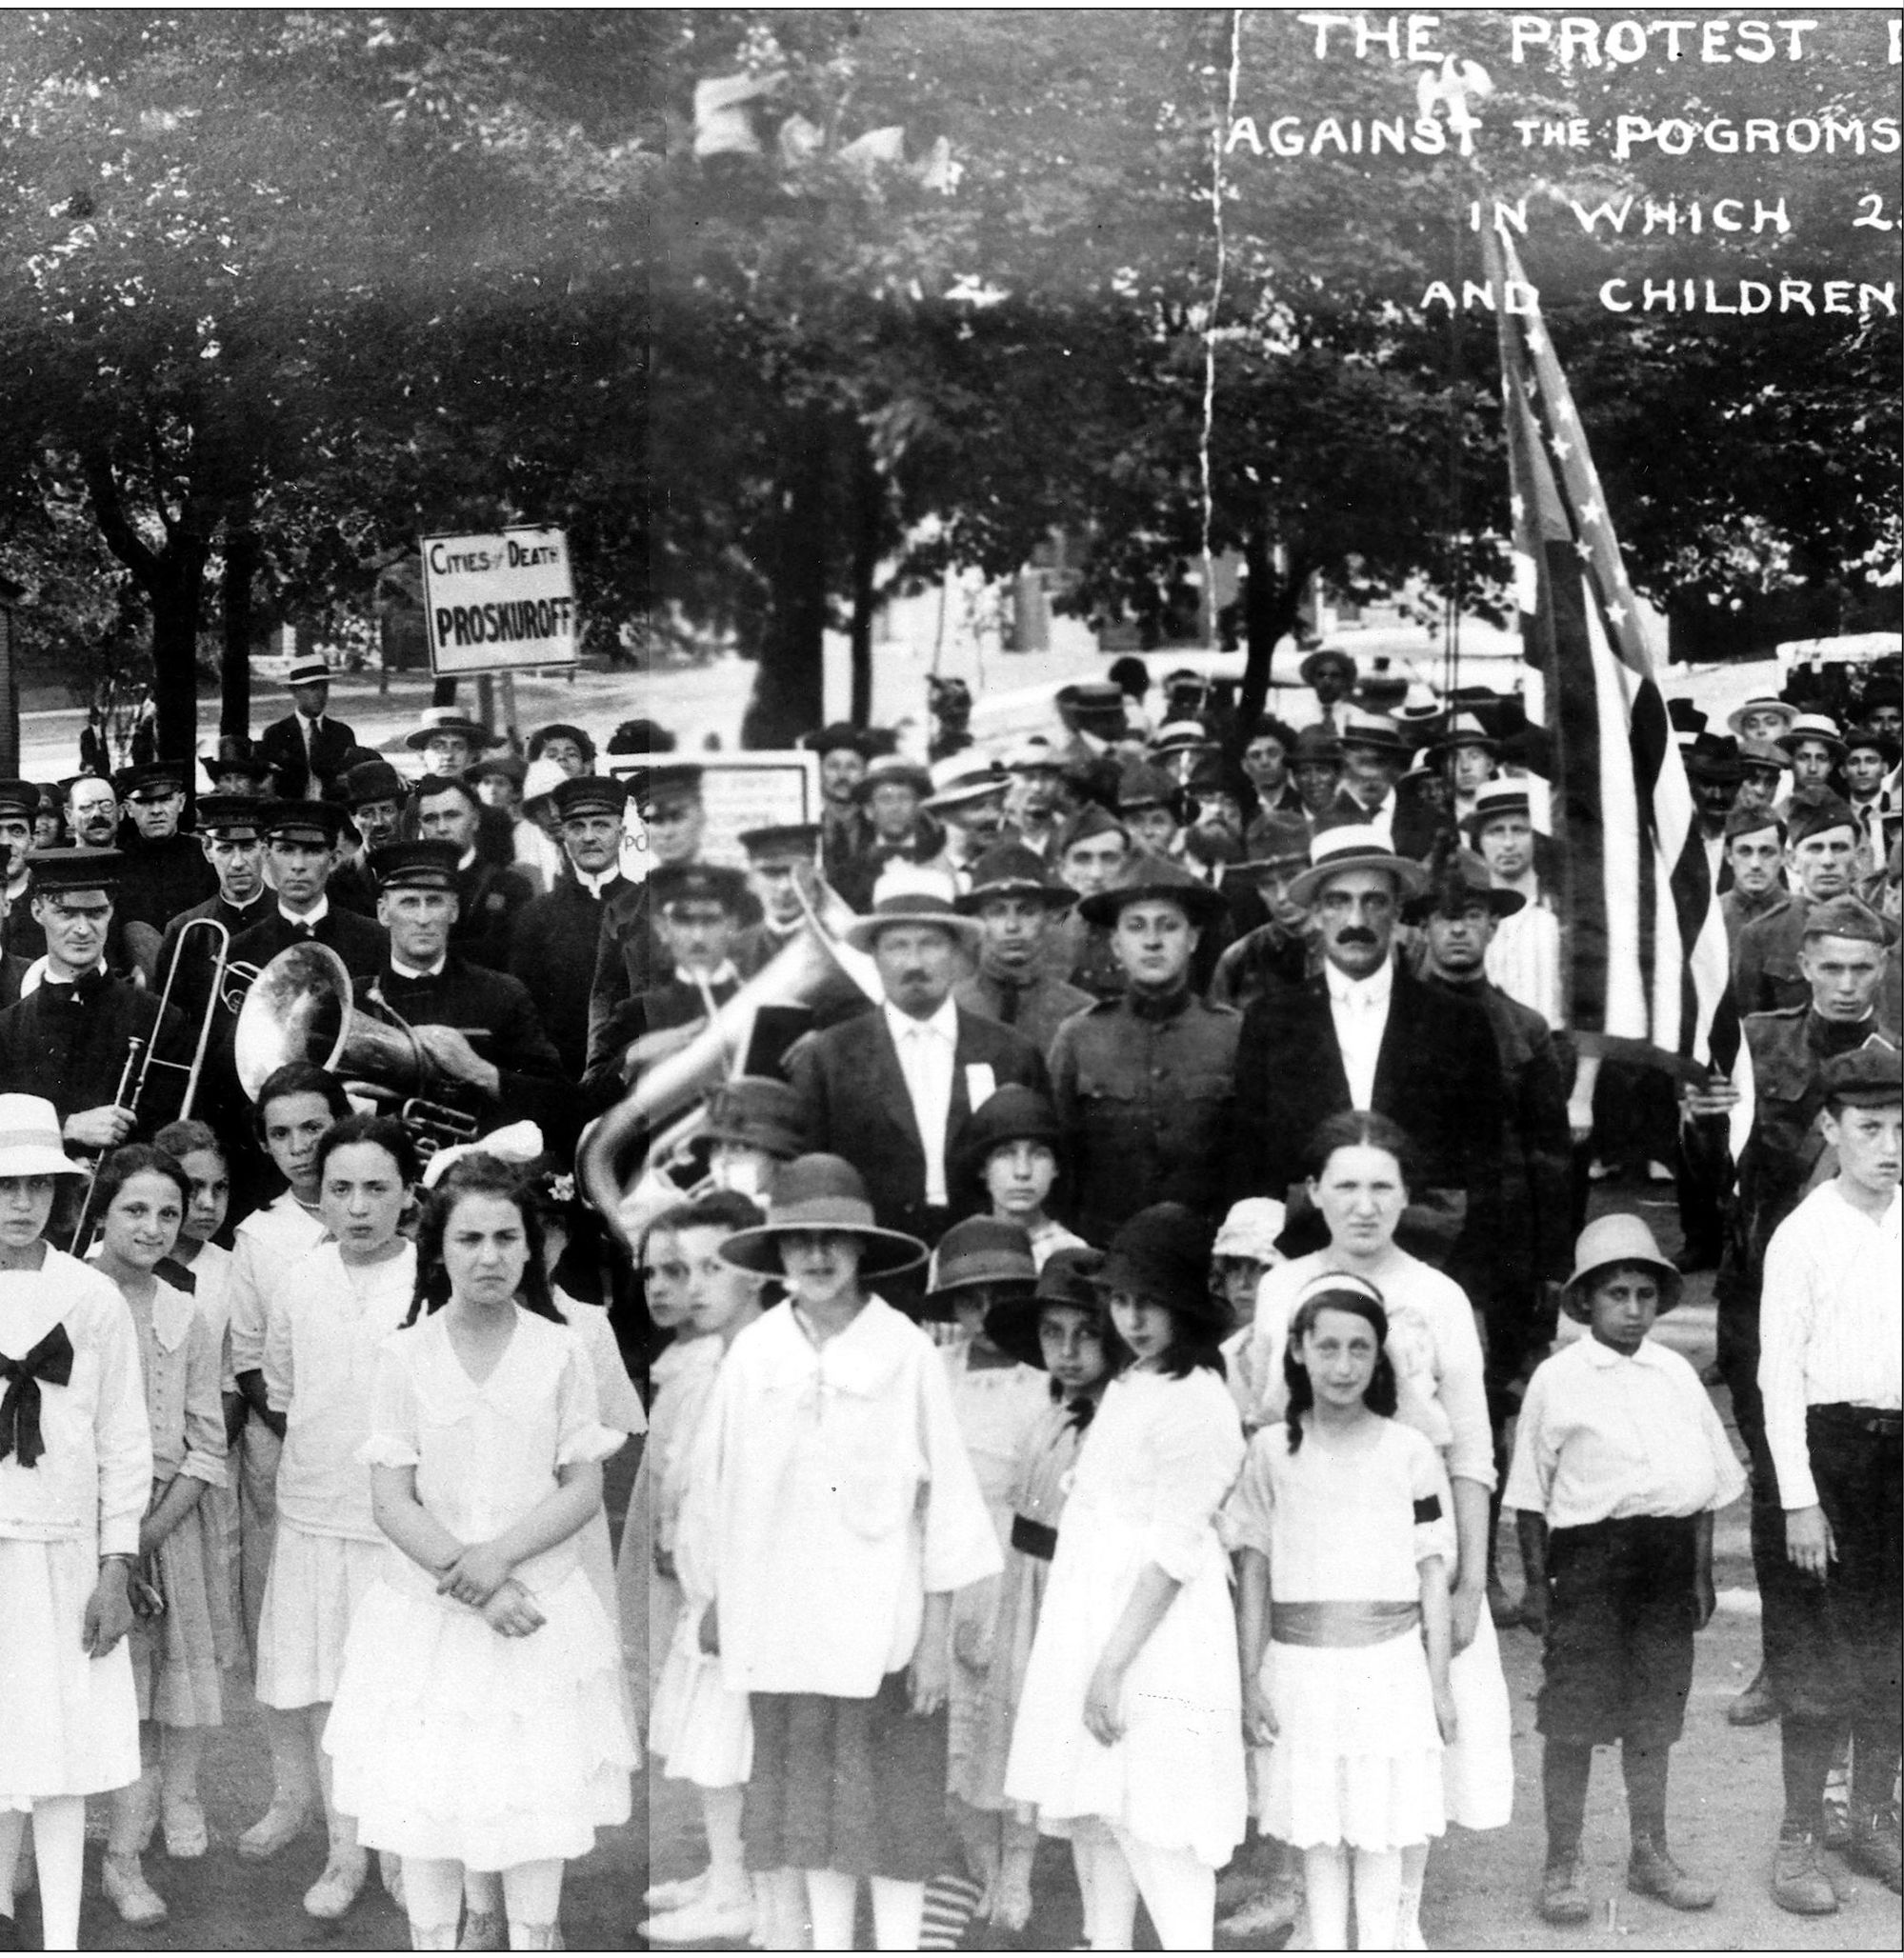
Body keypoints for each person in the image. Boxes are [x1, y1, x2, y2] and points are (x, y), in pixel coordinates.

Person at [683, 1154, 1001, 1953]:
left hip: (879, 1637)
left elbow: (948, 1507)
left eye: (835, 1240)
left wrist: (932, 1641)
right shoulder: (754, 1354)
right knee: (807, 1822)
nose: (817, 1257)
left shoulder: (904, 1353)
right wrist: (717, 1597)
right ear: (777, 1253)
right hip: (781, 1631)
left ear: (863, 1251)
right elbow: (713, 1491)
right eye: (799, 1241)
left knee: (889, 1820)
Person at [323, 1152, 635, 1950]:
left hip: (537, 1609)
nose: (489, 1256)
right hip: (430, 1615)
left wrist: (499, 1562)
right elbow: (392, 1499)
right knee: (430, 1807)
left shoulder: (561, 1349)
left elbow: (580, 1486)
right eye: (469, 1239)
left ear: (532, 1248)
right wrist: (474, 1583)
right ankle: (438, 1935)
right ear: (439, 1250)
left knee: (531, 1803)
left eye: (505, 1238)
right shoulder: (405, 1354)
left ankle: (531, 1933)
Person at [1245, 1112, 1515, 1948]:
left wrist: (1469, 1582)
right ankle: (1315, 1916)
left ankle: (1399, 1918)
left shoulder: (1438, 1294)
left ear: (1406, 1198)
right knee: (1316, 1748)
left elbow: (1468, 1447)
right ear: (1315, 1193)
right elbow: (1263, 1420)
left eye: (1382, 1188)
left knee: (1406, 1757)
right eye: (1346, 1186)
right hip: (1311, 1561)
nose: (1363, 1207)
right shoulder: (1279, 1288)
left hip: (1412, 1569)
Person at [1003, 1205, 1246, 1950]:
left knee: (1158, 1824)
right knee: (1098, 1815)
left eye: (1151, 1302)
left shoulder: (1200, 1400)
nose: (1133, 1319)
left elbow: (1174, 1553)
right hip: (1091, 1615)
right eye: (1120, 1300)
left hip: (1154, 1636)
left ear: (1185, 1304)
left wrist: (1111, 1665)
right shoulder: (1133, 1383)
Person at [1684, 896, 1899, 1729]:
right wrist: (1697, 1131)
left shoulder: (1895, 1060)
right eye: (1830, 967)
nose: (1845, 985)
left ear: (1881, 968)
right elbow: (1714, 1169)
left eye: (1861, 967)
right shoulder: (1755, 1037)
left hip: (1859, 1295)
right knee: (1782, 1478)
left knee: (1868, 1491)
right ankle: (1785, 1661)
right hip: (1760, 1285)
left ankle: (1863, 1671)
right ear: (1802, 964)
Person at [1507, 1215, 1745, 1925]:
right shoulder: (1558, 1379)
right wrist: (1533, 1584)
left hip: (1666, 1561)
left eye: (1645, 1294)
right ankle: (1562, 1861)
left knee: (1654, 1714)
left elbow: (1702, 1484)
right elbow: (1526, 1496)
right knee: (1573, 1715)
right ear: (1585, 1303)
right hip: (1587, 1565)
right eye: (1617, 1294)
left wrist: (1700, 1574)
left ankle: (1649, 1852)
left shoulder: (1673, 1373)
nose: (1633, 1309)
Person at [1229, 1277, 1455, 1953]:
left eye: (1359, 1349)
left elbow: (1432, 1570)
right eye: (1326, 1347)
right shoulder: (1270, 1452)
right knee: (1319, 1829)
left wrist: (1437, 1681)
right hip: (1298, 1667)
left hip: (1386, 1666)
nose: (1342, 1365)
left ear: (1377, 1357)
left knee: (1380, 1826)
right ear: (1297, 1351)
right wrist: (1248, 1679)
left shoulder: (1407, 1451)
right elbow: (1253, 1572)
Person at [251, 1115, 419, 1922]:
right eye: (340, 1188)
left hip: (403, 1528)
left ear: (407, 1197)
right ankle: (344, 1849)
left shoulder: (430, 1279)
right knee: (324, 1690)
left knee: (397, 1689)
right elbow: (282, 1391)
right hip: (314, 1512)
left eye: (376, 1189)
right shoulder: (299, 1279)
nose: (356, 1207)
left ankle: (399, 1845)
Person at [1232, 827, 1506, 1304]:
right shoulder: (1271, 1020)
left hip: (1425, 1262)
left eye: (1374, 902)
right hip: (1305, 1265)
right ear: (1317, 912)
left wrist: (1469, 1285)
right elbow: (1253, 1160)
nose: (1355, 919)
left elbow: (1485, 1164)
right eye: (1338, 901)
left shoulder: (1456, 1021)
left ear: (1399, 911)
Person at [0, 1095, 150, 1953]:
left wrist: (116, 1564)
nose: (22, 1204)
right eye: (5, 1186)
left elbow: (125, 1441)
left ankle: (62, 1934)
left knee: (60, 1756)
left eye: (39, 1187)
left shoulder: (90, 1298)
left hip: (64, 1558)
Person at [1756, 1044, 1902, 1910]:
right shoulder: (1803, 1234)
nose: (1889, 1146)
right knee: (1818, 1658)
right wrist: (1799, 1500)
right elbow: (1778, 1375)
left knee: (1892, 1652)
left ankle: (1872, 1820)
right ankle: (1800, 1833)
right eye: (1869, 1128)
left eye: (1902, 1130)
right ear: (1829, 1128)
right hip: (1830, 1456)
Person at [89, 1144, 230, 1929]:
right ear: (103, 1211)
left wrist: (143, 1537)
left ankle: (124, 1858)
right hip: (76, 1529)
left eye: (167, 1214)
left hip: (162, 1529)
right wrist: (106, 1540)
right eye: (135, 1209)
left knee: (150, 1706)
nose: (152, 1227)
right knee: (79, 1693)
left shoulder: (188, 1312)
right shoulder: (68, 1293)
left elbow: (207, 1443)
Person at [970, 1249, 1122, 1934]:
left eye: (1085, 1334)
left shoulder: (1120, 1419)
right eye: (1053, 1334)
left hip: (1082, 1592)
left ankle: (1104, 1903)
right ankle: (1014, 1869)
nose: (1066, 1351)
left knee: (1082, 1735)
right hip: (1026, 1582)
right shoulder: (1046, 1410)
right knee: (1014, 1722)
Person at [226, 1062, 351, 1860]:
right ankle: (291, 1794)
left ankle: (371, 1816)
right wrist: (306, 1426)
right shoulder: (261, 1236)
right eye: (281, 1133)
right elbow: (247, 1357)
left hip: (384, 1462)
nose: (300, 1147)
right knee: (290, 1640)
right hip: (291, 1451)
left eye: (313, 1127)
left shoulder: (388, 1207)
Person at [639, 1193, 771, 1948]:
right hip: (707, 1583)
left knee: (729, 1745)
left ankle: (739, 1888)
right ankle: (724, 1874)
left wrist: (728, 1589)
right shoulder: (720, 1355)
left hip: (739, 1592)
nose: (688, 1288)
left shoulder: (759, 1363)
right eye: (679, 1270)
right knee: (709, 1741)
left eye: (706, 1268)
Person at [786, 875, 1048, 1252]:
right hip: (875, 1259)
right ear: (873, 956)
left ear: (957, 954)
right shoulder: (827, 1058)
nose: (914, 963)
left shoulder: (1012, 1053)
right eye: (896, 947)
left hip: (986, 1256)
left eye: (930, 945)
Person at [916, 1220, 1052, 1929]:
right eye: (972, 1299)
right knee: (951, 1731)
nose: (987, 1312)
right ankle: (979, 1862)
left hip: (1021, 1565)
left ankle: (1019, 1867)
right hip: (946, 1561)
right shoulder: (932, 1374)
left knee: (1015, 1721)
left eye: (1005, 1297)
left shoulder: (1048, 1381)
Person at [1048, 860, 1239, 1251]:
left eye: (1168, 926)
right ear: (1117, 944)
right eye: (1136, 927)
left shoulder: (1233, 1033)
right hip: (1106, 1251)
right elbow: (1058, 1161)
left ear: (1193, 940)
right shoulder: (1080, 1036)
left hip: (1205, 1254)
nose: (1152, 941)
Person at [354, 841, 570, 1146]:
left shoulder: (502, 995)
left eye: (435, 901)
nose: (423, 917)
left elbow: (559, 1102)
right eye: (409, 903)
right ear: (383, 912)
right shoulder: (354, 998)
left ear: (453, 910)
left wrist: (478, 1070)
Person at [0, 849, 192, 1150]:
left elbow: (174, 1134)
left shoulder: (161, 1019)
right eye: (66, 913)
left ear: (111, 911)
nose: (81, 929)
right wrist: (67, 1126)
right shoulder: (6, 1029)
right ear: (38, 911)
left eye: (95, 913)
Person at [508, 775, 632, 1079]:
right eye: (577, 827)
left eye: (601, 825)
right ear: (564, 834)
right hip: (562, 1079)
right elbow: (524, 1009)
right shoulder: (537, 915)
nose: (589, 837)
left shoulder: (649, 905)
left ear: (622, 832)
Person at [588, 761, 709, 1057]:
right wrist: (597, 1070)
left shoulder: (738, 898)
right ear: (641, 825)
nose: (665, 831)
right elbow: (603, 997)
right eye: (652, 819)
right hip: (649, 1063)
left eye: (676, 816)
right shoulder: (624, 909)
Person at [1734, 797, 1886, 1014]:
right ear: (1792, 859)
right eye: (1815, 848)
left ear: (1858, 858)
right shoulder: (1759, 935)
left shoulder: (1889, 932)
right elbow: (1747, 1025)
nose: (1827, 861)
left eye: (1839, 848)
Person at [226, 799, 390, 981]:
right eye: (286, 850)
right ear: (266, 855)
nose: (298, 865)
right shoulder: (239, 952)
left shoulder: (377, 940)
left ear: (334, 860)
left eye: (312, 851)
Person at [953, 843, 1092, 1052]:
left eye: (1026, 911)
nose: (1012, 926)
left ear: (1046, 919)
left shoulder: (1080, 1012)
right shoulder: (951, 1007)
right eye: (998, 912)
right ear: (978, 921)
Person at [412, 774, 539, 972]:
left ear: (475, 820)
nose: (441, 828)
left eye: (452, 815)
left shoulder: (510, 886)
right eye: (431, 819)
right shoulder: (407, 885)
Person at [958, 1084, 1084, 1269]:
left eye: (1039, 1154)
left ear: (1056, 1167)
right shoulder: (957, 1248)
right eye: (1004, 1154)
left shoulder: (1073, 1254)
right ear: (982, 1168)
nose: (1023, 1172)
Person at [113, 761, 216, 949]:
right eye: (144, 802)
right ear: (128, 809)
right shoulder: (116, 863)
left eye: (166, 799)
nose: (156, 810)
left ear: (182, 802)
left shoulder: (206, 856)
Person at [256, 656, 357, 800]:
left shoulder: (342, 733)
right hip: (291, 813)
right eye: (312, 688)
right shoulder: (277, 734)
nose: (320, 694)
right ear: (294, 691)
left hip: (332, 813)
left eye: (324, 687)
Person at [1720, 808, 1789, 958]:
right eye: (1745, 851)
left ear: (1783, 856)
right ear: (1729, 855)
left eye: (1766, 851)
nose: (1755, 864)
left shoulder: (1802, 914)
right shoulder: (1713, 916)